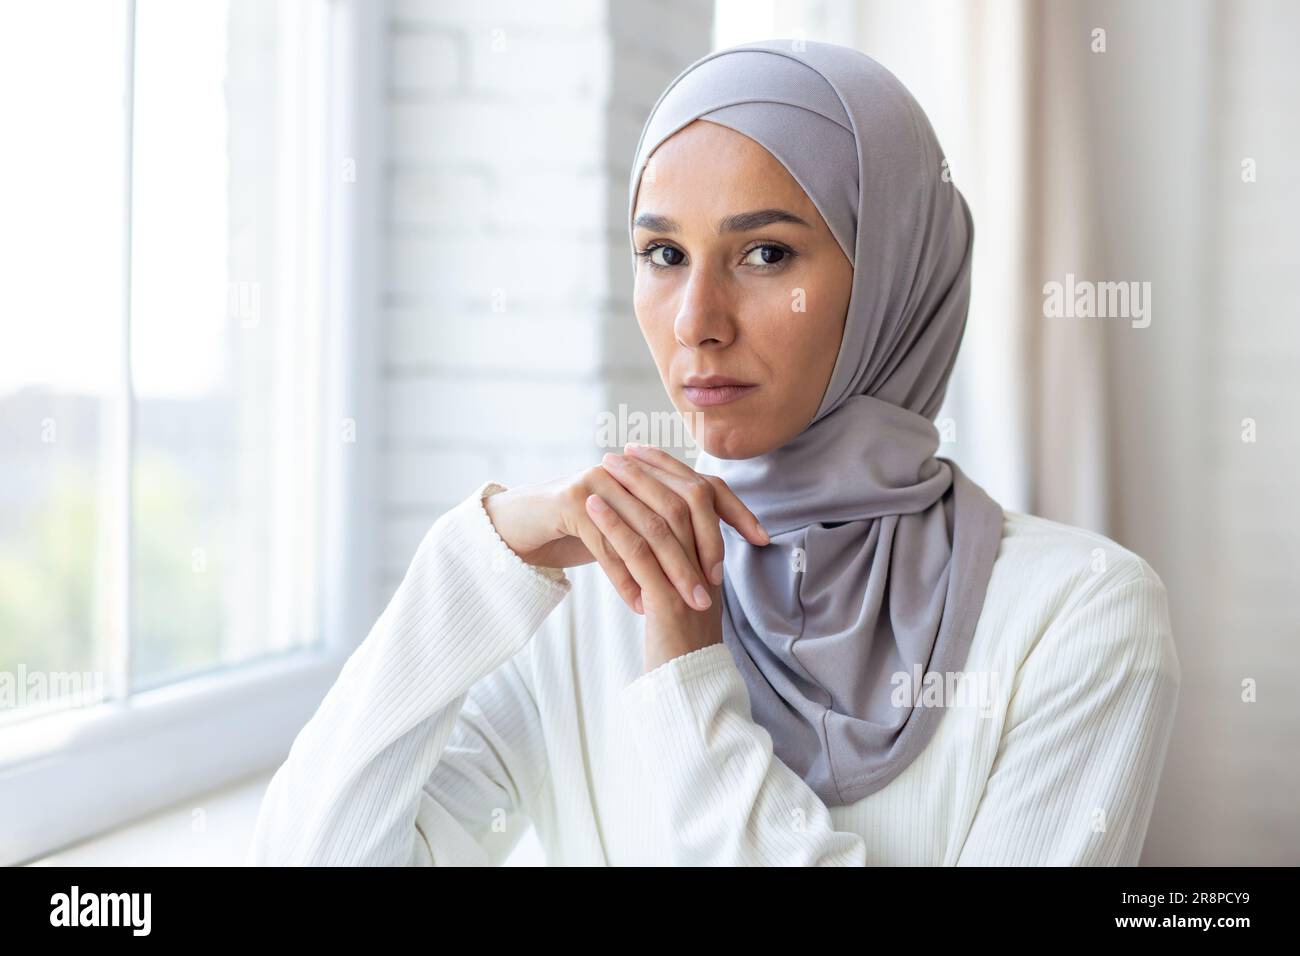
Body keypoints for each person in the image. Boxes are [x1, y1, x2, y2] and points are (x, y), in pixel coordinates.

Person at [248, 39, 1180, 866]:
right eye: (663, 256)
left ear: (895, 267)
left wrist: (688, 699)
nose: (697, 323)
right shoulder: (581, 599)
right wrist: (482, 552)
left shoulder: (1079, 616)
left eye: (766, 254)